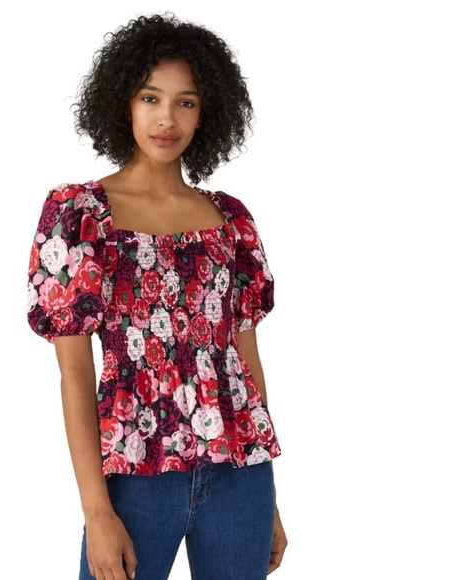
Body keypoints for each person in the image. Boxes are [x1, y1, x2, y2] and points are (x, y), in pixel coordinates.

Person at [27, 13, 287, 580]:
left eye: (185, 102)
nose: (167, 118)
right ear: (123, 102)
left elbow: (246, 360)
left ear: (206, 112)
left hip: (240, 476)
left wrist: (270, 500)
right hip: (134, 477)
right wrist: (97, 511)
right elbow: (75, 373)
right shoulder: (81, 216)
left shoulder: (230, 221)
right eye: (151, 98)